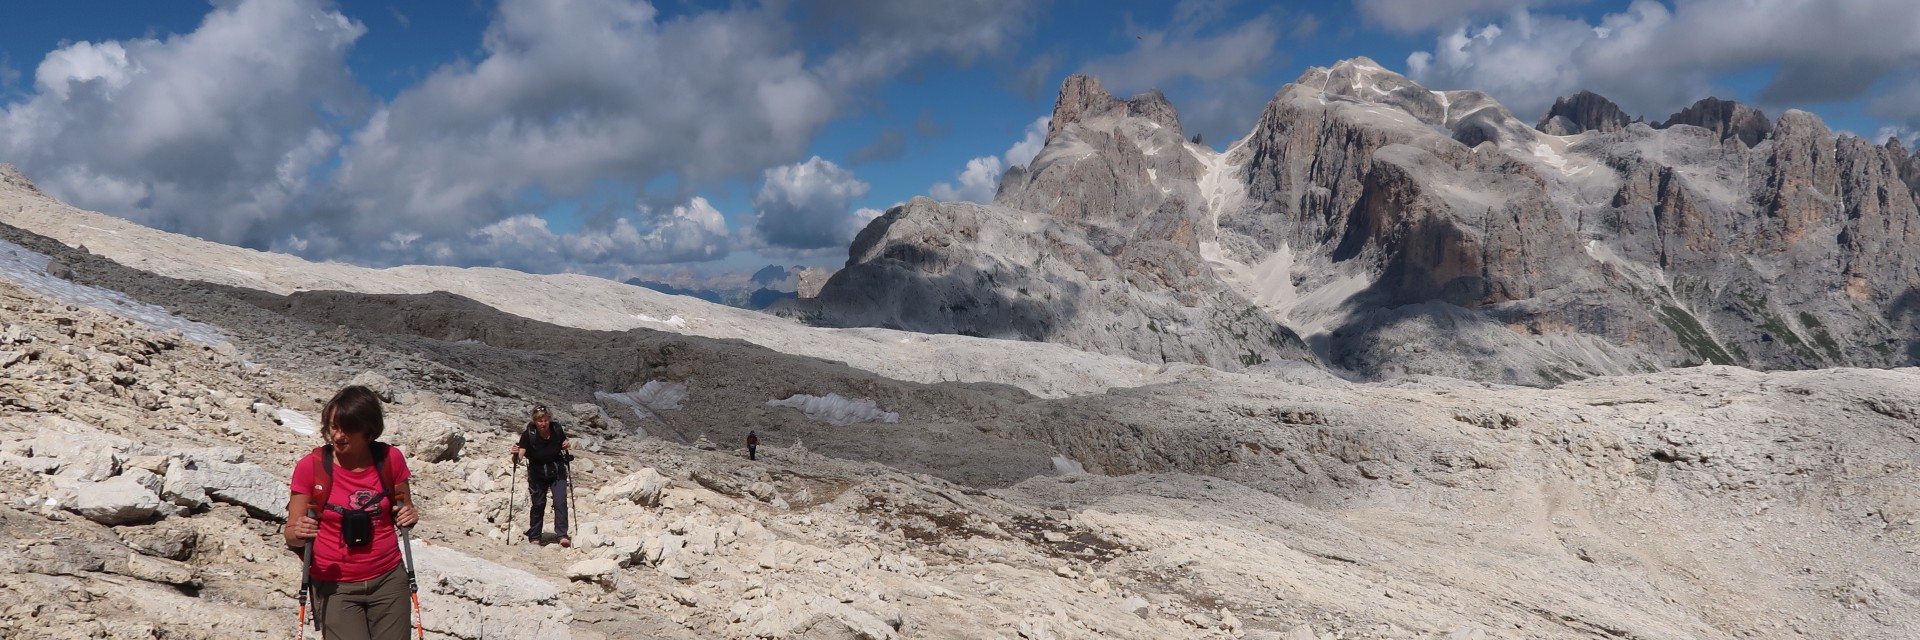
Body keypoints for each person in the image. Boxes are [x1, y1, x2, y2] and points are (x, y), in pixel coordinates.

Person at [284, 385, 419, 640]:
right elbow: (291, 535)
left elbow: (403, 513)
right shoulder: (310, 468)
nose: (338, 435)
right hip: (335, 586)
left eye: (347, 428)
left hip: (389, 579)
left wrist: (409, 516)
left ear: (368, 430)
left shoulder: (391, 459)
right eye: (333, 426)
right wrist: (298, 532)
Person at [511, 405, 571, 547]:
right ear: (534, 421)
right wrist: (515, 453)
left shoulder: (556, 429)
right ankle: (535, 535)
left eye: (545, 420)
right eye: (539, 421)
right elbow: (519, 457)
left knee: (560, 502)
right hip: (537, 474)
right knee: (538, 504)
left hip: (557, 471)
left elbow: (564, 443)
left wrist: (567, 444)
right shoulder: (528, 435)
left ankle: (562, 535)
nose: (543, 423)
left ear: (549, 419)